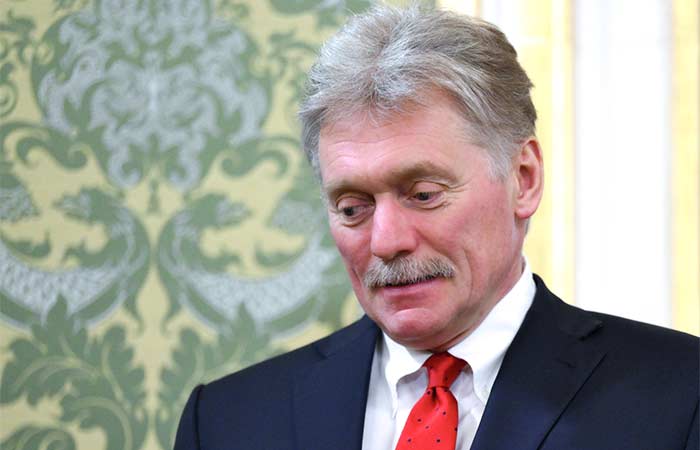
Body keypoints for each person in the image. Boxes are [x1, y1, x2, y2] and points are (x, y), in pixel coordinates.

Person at [174, 5, 699, 450]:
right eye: (353, 207)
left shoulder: (680, 398)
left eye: (424, 195)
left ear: (523, 179)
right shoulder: (225, 422)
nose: (386, 241)